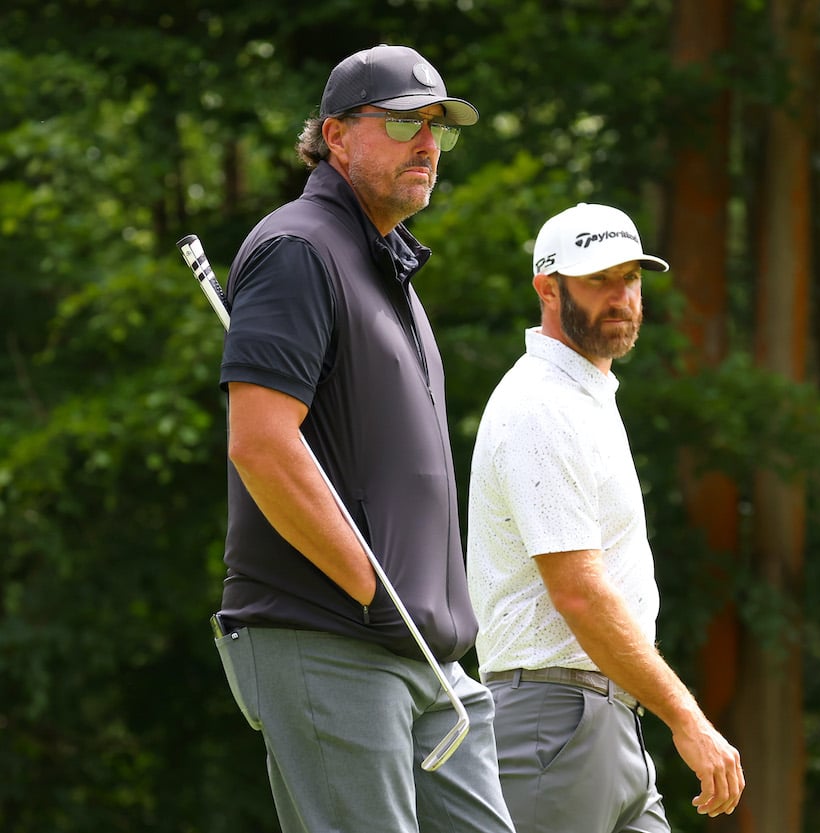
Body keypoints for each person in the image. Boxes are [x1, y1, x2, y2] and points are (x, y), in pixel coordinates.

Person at [211, 44, 514, 833]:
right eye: (404, 121)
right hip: (332, 635)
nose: (426, 144)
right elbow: (263, 445)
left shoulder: (388, 270)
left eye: (438, 130)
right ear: (336, 136)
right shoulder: (297, 249)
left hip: (432, 661)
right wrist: (372, 592)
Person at [466, 202, 746, 833]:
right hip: (551, 718)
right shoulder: (541, 406)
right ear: (547, 288)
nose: (621, 296)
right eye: (598, 279)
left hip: (609, 715)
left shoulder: (583, 397)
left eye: (631, 278)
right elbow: (580, 595)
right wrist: (687, 717)